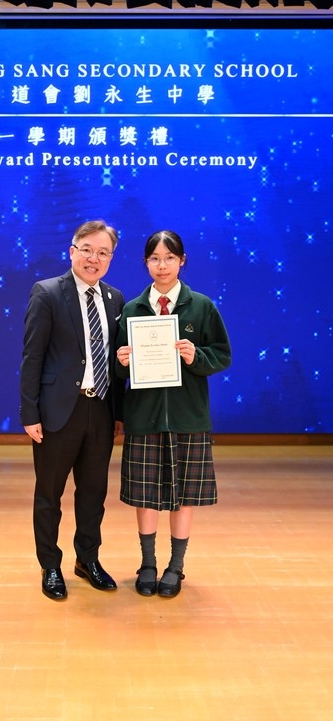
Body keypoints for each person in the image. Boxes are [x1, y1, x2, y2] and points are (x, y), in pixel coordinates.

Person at [116, 230, 232, 598]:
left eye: (169, 258)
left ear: (182, 261)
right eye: (154, 258)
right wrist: (121, 362)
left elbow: (222, 355)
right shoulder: (132, 310)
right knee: (145, 495)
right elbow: (116, 369)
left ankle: (175, 566)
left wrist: (197, 356)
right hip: (144, 418)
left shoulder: (202, 306)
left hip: (188, 417)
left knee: (183, 496)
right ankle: (148, 563)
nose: (162, 265)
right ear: (145, 263)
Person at [20, 220, 125, 601]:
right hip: (57, 411)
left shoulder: (115, 299)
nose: (94, 258)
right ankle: (50, 565)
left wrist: (119, 412)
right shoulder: (47, 292)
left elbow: (115, 361)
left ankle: (88, 559)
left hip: (100, 409)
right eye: (87, 250)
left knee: (93, 492)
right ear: (72, 251)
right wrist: (29, 413)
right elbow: (32, 357)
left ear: (110, 259)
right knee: (49, 493)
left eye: (103, 252)